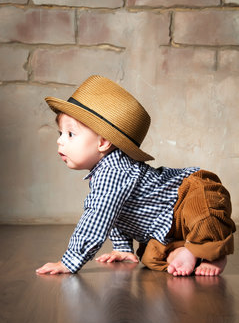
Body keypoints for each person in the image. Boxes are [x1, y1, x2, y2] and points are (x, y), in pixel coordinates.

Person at [36, 75, 236, 277]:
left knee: (202, 213)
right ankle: (190, 251)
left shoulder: (114, 171)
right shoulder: (103, 172)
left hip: (188, 193)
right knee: (150, 257)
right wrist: (123, 247)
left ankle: (213, 254)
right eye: (60, 133)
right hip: (166, 226)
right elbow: (116, 211)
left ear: (103, 142)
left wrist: (70, 261)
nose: (60, 141)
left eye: (70, 134)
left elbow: (98, 215)